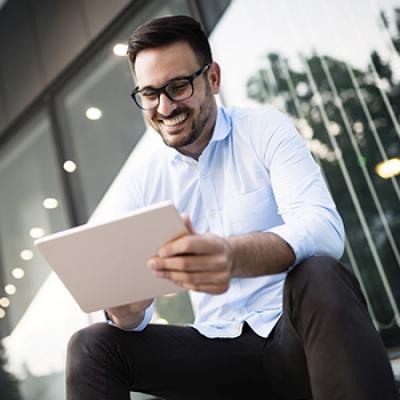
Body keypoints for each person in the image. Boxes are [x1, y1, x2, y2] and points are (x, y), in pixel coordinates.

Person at [66, 15, 398, 400]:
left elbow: (324, 230)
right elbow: (127, 308)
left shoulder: (264, 130)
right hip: (216, 354)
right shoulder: (143, 181)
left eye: (178, 86)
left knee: (320, 272)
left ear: (213, 79)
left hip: (294, 340)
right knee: (91, 345)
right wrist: (126, 312)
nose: (165, 106)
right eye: (150, 94)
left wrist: (233, 255)